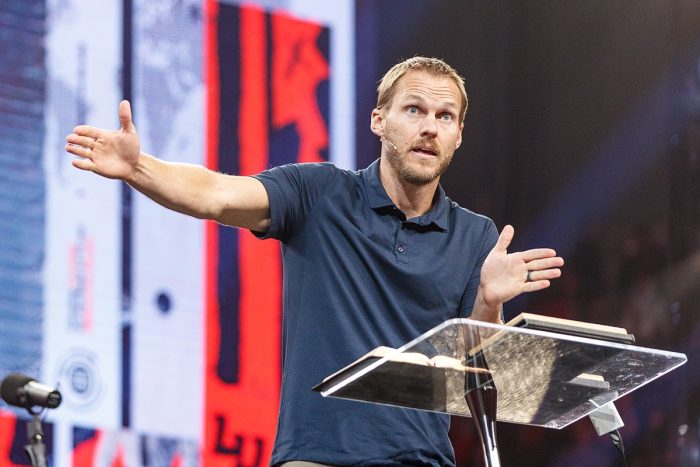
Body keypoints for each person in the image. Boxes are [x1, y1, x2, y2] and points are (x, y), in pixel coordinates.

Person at [65, 56, 563, 466]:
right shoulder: (319, 193)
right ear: (379, 120)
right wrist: (139, 167)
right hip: (317, 456)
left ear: (459, 134)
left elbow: (474, 377)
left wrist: (489, 302)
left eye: (445, 116)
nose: (430, 128)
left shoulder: (476, 235)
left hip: (421, 459)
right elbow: (216, 194)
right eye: (414, 110)